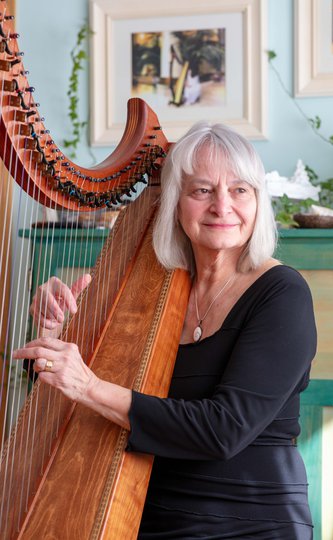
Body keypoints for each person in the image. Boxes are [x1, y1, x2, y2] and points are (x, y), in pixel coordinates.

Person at [14, 122, 317, 539]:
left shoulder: (283, 294)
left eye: (240, 190)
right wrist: (57, 339)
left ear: (258, 203)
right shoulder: (152, 292)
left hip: (249, 525)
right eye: (202, 190)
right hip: (147, 516)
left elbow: (222, 431)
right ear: (175, 202)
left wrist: (87, 385)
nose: (222, 206)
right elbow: (78, 401)